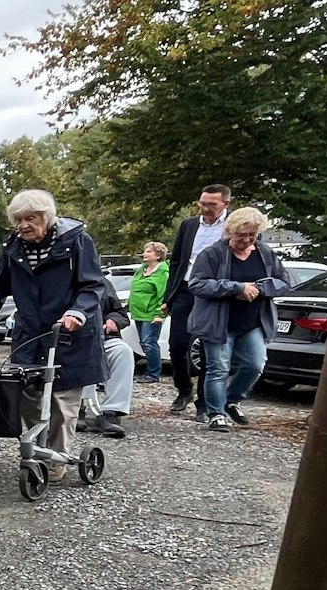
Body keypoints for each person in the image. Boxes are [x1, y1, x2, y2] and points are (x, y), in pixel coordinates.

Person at [0, 190, 107, 475]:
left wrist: (77, 312)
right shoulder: (13, 247)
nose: (23, 225)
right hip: (30, 334)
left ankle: (57, 459)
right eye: (18, 220)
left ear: (47, 217)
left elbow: (92, 285)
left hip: (68, 334)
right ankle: (40, 448)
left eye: (30, 218)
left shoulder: (77, 240)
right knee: (27, 393)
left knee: (61, 400)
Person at [185, 206, 293, 432]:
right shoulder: (212, 254)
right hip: (218, 323)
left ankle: (232, 399)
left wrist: (259, 289)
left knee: (255, 364)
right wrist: (237, 288)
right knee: (218, 368)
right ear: (230, 231)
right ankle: (216, 414)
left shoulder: (265, 254)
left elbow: (284, 282)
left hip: (252, 322)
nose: (246, 240)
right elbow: (197, 284)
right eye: (241, 235)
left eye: (251, 235)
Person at [161, 184, 233, 420]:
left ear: (225, 203)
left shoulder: (234, 226)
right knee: (177, 344)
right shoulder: (189, 225)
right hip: (185, 289)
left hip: (214, 294)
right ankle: (184, 390)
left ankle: (204, 403)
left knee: (206, 350)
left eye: (212, 204)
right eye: (202, 203)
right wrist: (169, 296)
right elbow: (176, 261)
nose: (205, 208)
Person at [78, 286, 133, 439]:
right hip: (68, 339)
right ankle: (76, 407)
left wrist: (113, 320)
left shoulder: (102, 283)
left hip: (102, 337)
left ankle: (111, 412)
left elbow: (119, 313)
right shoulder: (57, 282)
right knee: (84, 352)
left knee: (122, 351)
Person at [129, 241, 169, 383]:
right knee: (143, 343)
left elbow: (163, 295)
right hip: (138, 313)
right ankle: (149, 372)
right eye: (145, 251)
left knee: (149, 342)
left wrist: (160, 314)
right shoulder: (141, 270)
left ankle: (153, 374)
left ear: (158, 255)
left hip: (151, 314)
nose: (144, 254)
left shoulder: (163, 273)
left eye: (149, 251)